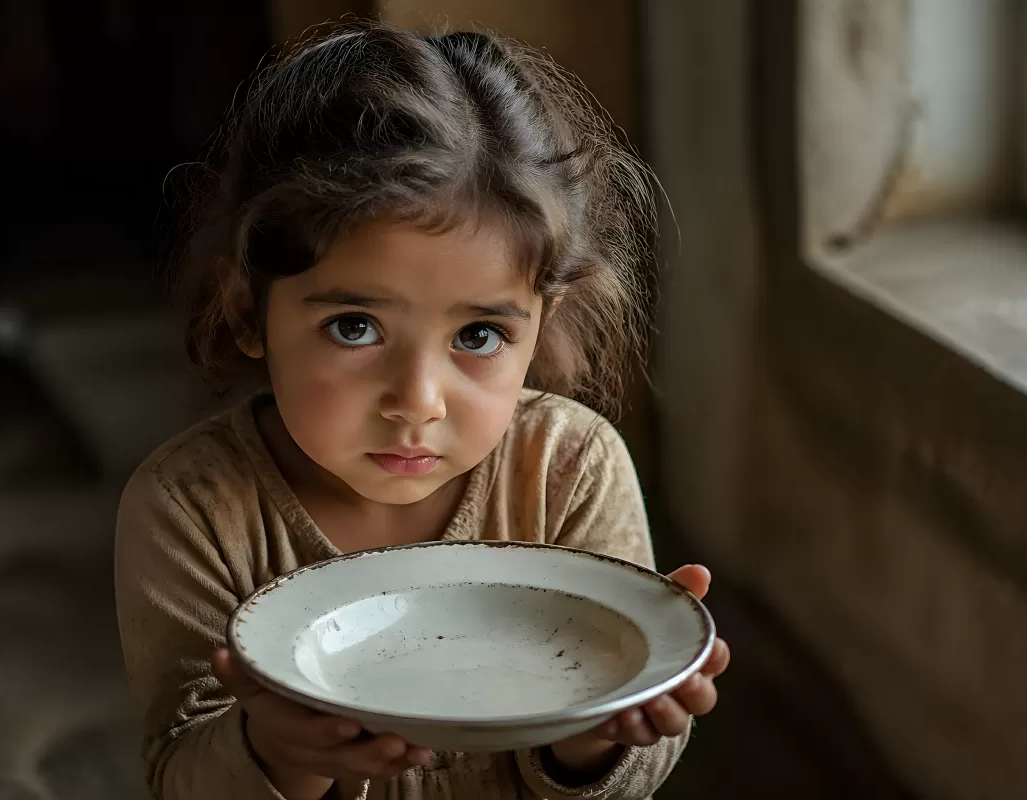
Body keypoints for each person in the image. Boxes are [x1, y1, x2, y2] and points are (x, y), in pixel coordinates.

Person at [114, 20, 730, 800]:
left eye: (479, 335)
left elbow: (630, 774)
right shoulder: (194, 508)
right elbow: (181, 776)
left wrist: (596, 736)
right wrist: (277, 751)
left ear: (542, 321)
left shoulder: (568, 469)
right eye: (354, 327)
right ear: (246, 311)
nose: (418, 401)